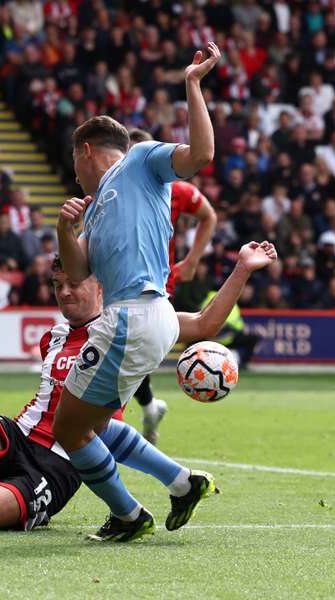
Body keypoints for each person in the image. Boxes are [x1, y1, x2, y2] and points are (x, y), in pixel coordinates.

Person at [0, 241, 276, 533]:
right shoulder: (52, 335)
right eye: (57, 285)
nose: (64, 292)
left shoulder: (131, 329)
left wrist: (242, 268)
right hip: (20, 436)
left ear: (100, 285)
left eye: (74, 284)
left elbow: (205, 324)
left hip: (61, 465)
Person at [54, 42, 222, 542]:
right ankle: (180, 482)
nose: (75, 172)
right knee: (94, 424)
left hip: (135, 313)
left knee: (68, 430)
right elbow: (79, 270)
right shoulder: (98, 205)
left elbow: (203, 155)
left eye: (74, 161)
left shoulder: (141, 160)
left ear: (85, 151)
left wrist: (192, 84)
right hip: (144, 317)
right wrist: (67, 230)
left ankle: (128, 515)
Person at [127, 127, 218, 444]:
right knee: (129, 348)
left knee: (131, 346)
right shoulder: (115, 188)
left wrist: (192, 260)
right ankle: (148, 406)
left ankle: (142, 408)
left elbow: (209, 216)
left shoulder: (174, 189)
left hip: (154, 282)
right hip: (117, 278)